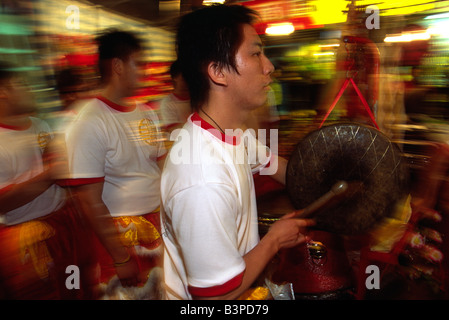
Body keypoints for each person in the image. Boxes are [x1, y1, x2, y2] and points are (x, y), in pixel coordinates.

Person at [160, 4, 314, 300]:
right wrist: (273, 240)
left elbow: (282, 169)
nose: (268, 66)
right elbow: (216, 297)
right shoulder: (201, 177)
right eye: (255, 53)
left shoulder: (233, 133)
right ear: (218, 72)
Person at [63, 30, 166, 299]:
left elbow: (161, 168)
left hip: (156, 230)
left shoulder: (147, 112)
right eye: (139, 64)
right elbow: (89, 200)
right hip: (119, 239)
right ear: (118, 66)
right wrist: (120, 256)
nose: (145, 71)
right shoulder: (89, 121)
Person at [0, 61, 94, 299]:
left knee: (77, 287)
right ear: (3, 92)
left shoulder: (39, 125)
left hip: (65, 223)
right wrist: (51, 174)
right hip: (30, 238)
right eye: (20, 84)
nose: (29, 89)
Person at [159, 59, 192, 136]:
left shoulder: (198, 99)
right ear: (175, 77)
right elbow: (173, 131)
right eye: (184, 75)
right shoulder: (167, 103)